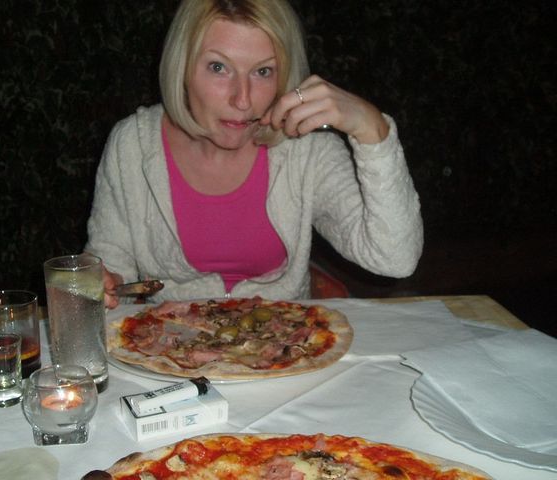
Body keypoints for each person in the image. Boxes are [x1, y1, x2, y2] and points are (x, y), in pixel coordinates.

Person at [85, 0, 423, 309]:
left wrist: (371, 129)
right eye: (219, 67)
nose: (243, 99)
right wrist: (103, 284)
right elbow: (111, 269)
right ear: (182, 67)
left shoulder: (306, 149)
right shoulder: (132, 145)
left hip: (287, 344)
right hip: (168, 342)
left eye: (263, 72)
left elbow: (395, 258)